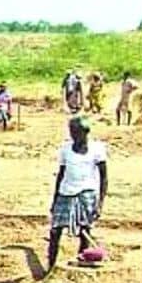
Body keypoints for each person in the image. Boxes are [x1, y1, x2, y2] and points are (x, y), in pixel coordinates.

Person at [46, 116, 107, 273]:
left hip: (87, 194)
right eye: (71, 131)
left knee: (84, 231)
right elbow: (61, 174)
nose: (72, 135)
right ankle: (50, 267)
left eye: (75, 132)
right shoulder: (66, 149)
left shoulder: (97, 149)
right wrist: (54, 200)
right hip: (66, 192)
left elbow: (104, 177)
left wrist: (100, 204)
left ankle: (81, 264)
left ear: (85, 132)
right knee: (55, 231)